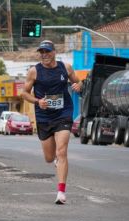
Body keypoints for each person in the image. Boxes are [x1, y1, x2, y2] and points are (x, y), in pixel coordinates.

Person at [21, 40, 82, 204]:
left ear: (54, 52)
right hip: (44, 116)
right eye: (41, 52)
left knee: (62, 151)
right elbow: (24, 93)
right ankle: (55, 159)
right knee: (49, 158)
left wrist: (78, 86)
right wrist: (37, 101)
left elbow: (78, 82)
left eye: (47, 51)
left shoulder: (65, 68)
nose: (44, 55)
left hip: (63, 113)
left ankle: (61, 193)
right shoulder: (34, 71)